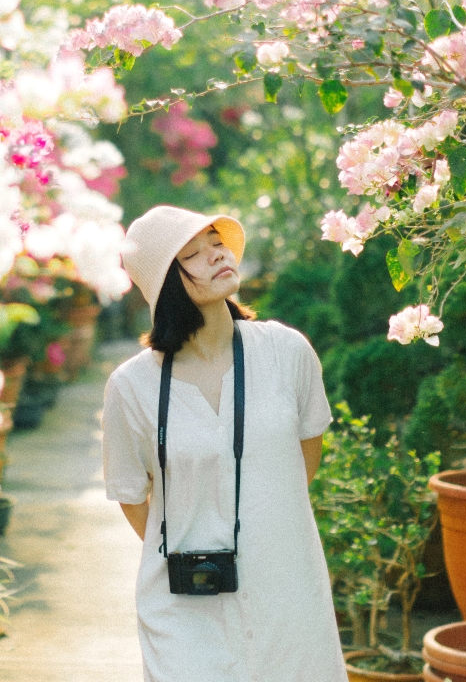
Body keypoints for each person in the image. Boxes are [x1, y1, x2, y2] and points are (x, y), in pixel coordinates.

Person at [102, 205, 347, 682]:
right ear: (167, 283)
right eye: (194, 253)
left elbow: (303, 455)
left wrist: (264, 522)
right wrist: (193, 537)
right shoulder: (131, 387)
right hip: (183, 601)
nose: (217, 256)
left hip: (286, 589)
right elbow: (133, 497)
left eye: (217, 243)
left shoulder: (286, 351)